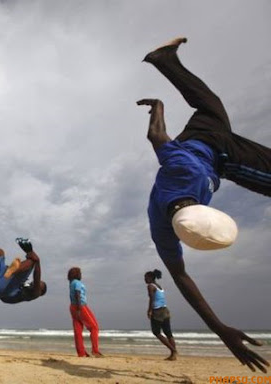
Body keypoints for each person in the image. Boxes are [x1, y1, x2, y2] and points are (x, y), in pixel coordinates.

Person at [138, 37, 270, 372]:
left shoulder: (186, 179)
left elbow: (181, 276)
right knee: (211, 105)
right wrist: (159, 107)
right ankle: (164, 60)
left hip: (215, 150)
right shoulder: (159, 222)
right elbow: (157, 137)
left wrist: (160, 107)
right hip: (199, 131)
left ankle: (164, 61)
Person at [0, 238, 47, 304]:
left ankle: (12, 271)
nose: (36, 282)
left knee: (32, 262)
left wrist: (37, 261)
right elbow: (1, 281)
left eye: (39, 284)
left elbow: (36, 278)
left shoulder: (34, 294)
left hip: (5, 291)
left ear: (41, 291)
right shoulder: (25, 283)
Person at [67, 267, 102, 358]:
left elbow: (71, 296)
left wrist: (75, 308)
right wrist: (79, 308)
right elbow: (77, 293)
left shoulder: (71, 283)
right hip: (81, 306)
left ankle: (81, 352)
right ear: (76, 274)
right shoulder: (77, 283)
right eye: (80, 273)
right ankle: (95, 350)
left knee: (78, 330)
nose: (81, 275)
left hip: (72, 306)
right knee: (94, 327)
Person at [145, 269, 177, 361]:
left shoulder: (150, 286)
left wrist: (149, 311)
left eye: (146, 277)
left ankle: (173, 350)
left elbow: (151, 299)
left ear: (150, 278)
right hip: (165, 310)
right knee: (168, 333)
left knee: (156, 332)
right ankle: (173, 355)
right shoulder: (159, 286)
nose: (145, 279)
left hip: (157, 311)